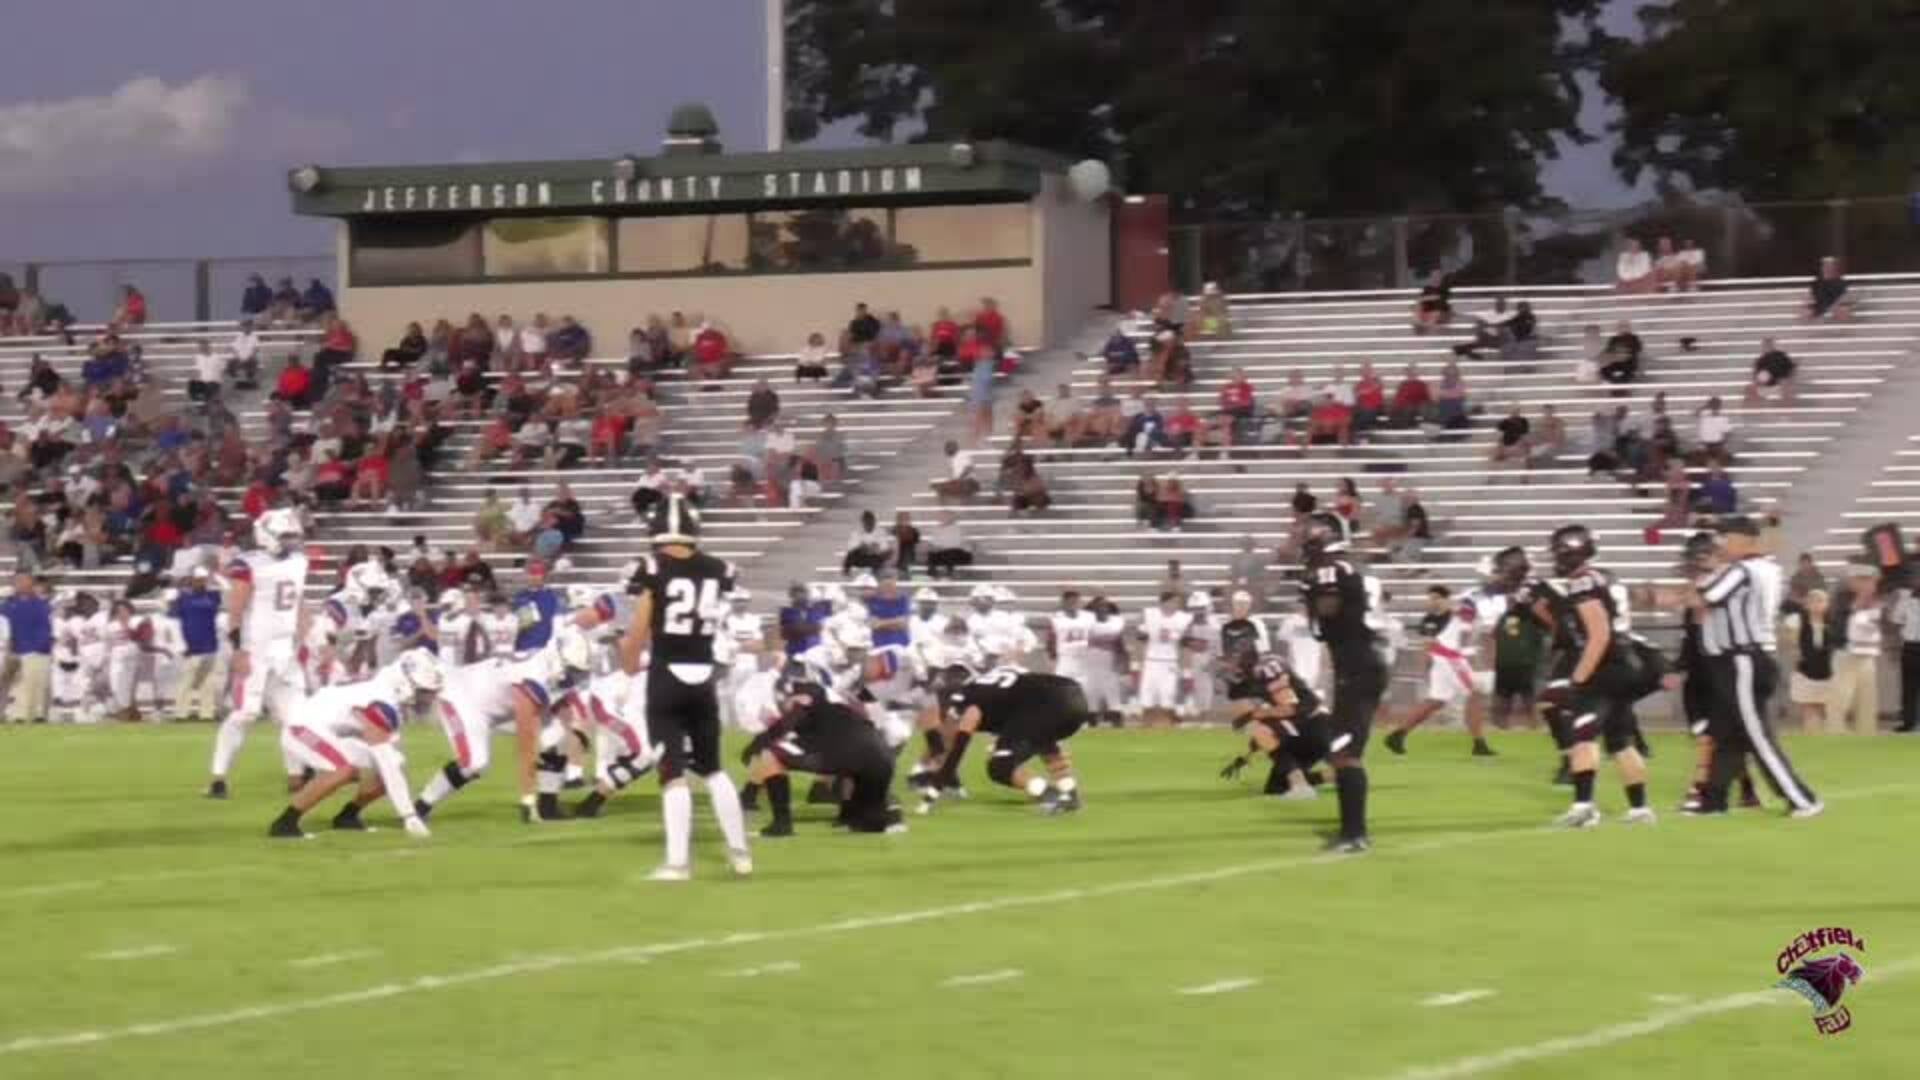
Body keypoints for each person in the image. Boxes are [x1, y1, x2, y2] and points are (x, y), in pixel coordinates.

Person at [620, 494, 753, 881]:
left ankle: (677, 863)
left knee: (672, 771)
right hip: (703, 676)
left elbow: (640, 626)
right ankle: (740, 853)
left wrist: (628, 660)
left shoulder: (651, 567)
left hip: (667, 676)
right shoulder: (719, 568)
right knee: (713, 769)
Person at [1692, 517, 1822, 817]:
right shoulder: (1766, 568)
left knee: (1757, 734)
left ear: (1743, 539)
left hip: (1744, 659)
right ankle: (1713, 802)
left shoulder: (1742, 570)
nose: (1721, 544)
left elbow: (1706, 597)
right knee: (1727, 733)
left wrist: (1678, 591)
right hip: (1751, 657)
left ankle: (1802, 799)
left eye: (1726, 538)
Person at [413, 623, 596, 824]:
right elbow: (526, 743)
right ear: (559, 660)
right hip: (466, 699)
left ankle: (548, 806)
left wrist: (578, 731)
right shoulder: (533, 677)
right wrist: (527, 798)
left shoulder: (549, 666)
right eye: (573, 670)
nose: (575, 676)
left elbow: (565, 705)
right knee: (474, 763)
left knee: (557, 736)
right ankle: (420, 807)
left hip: (498, 703)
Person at [1535, 524, 1656, 828]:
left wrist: (1578, 678)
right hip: (1622, 663)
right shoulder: (1603, 577)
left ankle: (1584, 807)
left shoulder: (1583, 583)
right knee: (1620, 741)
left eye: (1559, 552)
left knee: (1583, 734)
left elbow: (1598, 635)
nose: (1556, 558)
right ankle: (1640, 809)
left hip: (1605, 667)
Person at [269, 651, 442, 840]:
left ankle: (347, 816)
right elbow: (385, 760)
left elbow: (391, 763)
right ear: (405, 684)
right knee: (343, 769)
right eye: (424, 691)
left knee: (394, 765)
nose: (428, 698)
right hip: (302, 728)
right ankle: (285, 823)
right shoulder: (380, 702)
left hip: (327, 732)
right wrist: (409, 815)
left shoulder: (385, 695)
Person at [1384, 547, 1527, 758]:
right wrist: (1471, 654)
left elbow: (1493, 629)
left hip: (1448, 652)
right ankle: (1479, 744)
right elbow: (1467, 627)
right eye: (1500, 574)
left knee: (1437, 700)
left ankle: (1397, 735)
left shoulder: (1499, 599)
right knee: (1474, 693)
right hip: (1451, 652)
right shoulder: (1474, 597)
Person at [205, 509, 309, 797]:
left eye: (293, 536)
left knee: (296, 717)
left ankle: (297, 776)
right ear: (267, 535)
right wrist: (238, 650)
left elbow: (299, 603)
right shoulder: (248, 564)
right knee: (245, 713)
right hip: (256, 648)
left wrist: (303, 638)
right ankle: (218, 777)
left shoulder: (299, 561)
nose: (290, 542)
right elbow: (235, 611)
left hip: (285, 649)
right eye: (285, 536)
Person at [1296, 514, 1382, 853]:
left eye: (1309, 535)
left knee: (1344, 753)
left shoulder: (1331, 570)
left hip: (1358, 669)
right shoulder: (1342, 568)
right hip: (1358, 667)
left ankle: (1355, 834)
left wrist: (1311, 592)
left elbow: (1329, 607)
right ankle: (1351, 830)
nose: (1304, 540)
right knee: (1339, 750)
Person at [742, 663, 902, 836]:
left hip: (846, 747)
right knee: (866, 817)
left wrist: (757, 744)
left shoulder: (806, 691)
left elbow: (790, 721)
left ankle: (781, 825)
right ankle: (860, 815)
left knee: (771, 755)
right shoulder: (838, 699)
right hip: (878, 753)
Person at [918, 665, 1087, 815]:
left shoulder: (969, 696)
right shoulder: (994, 682)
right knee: (1043, 739)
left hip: (1049, 705)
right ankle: (1069, 793)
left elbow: (960, 742)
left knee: (1000, 766)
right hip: (1074, 696)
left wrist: (940, 781)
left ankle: (1050, 795)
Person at [1218, 654, 1330, 799]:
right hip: (1314, 727)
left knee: (1260, 730)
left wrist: (1255, 715)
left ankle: (1300, 786)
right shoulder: (1265, 673)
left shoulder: (1269, 672)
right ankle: (1341, 776)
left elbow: (1297, 706)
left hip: (1313, 726)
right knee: (1275, 787)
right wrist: (1247, 756)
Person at [1827, 565, 1883, 736]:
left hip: (1867, 652)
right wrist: (1859, 602)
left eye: (1873, 581)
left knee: (1867, 696)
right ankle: (1835, 729)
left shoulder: (1874, 601)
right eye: (1867, 581)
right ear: (1855, 581)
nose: (1872, 585)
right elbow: (1838, 624)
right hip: (1846, 652)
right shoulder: (1841, 598)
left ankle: (1867, 730)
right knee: (1842, 694)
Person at [169, 567, 225, 723]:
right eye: (198, 579)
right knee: (186, 681)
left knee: (208, 683)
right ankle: (180, 713)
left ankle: (206, 714)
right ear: (192, 580)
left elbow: (228, 589)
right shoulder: (183, 598)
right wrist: (180, 645)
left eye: (203, 579)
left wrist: (216, 576)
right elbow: (174, 622)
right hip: (191, 646)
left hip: (210, 645)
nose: (201, 582)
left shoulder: (213, 596)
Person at [1, 573, 53, 723]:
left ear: (31, 584)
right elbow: (6, 629)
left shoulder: (42, 605)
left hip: (39, 651)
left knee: (38, 685)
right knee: (17, 686)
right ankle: (17, 716)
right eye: (17, 581)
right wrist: (10, 651)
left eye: (24, 581)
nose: (21, 584)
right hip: (16, 651)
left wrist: (41, 647)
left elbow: (46, 629)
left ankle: (37, 716)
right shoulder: (7, 606)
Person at [1135, 592, 1191, 727]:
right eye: (1172, 602)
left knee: (1168, 696)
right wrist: (1136, 663)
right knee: (1147, 695)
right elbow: (1140, 639)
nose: (1174, 605)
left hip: (1170, 662)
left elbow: (1186, 645)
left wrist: (1186, 669)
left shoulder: (1184, 618)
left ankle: (1167, 726)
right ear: (1162, 603)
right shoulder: (1150, 615)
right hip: (1151, 660)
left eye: (1176, 602)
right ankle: (1146, 725)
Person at [1784, 588, 1835, 734]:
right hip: (1805, 670)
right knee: (1808, 707)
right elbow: (1791, 642)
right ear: (1806, 604)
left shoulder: (1833, 623)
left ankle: (1825, 736)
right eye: (1813, 601)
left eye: (1821, 601)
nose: (1817, 605)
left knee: (1827, 708)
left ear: (1827, 604)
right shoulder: (1797, 621)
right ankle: (1810, 733)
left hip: (1828, 671)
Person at [842, 510, 894, 576]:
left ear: (874, 522)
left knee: (889, 552)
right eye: (867, 523)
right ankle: (846, 571)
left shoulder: (880, 532)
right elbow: (850, 548)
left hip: (875, 557)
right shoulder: (857, 532)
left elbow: (885, 547)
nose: (869, 525)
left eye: (871, 522)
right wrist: (861, 547)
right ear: (863, 523)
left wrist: (876, 549)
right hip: (861, 557)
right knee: (851, 554)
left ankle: (877, 571)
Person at [1748, 337, 1797, 405]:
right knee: (1762, 376)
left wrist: (1787, 378)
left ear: (1773, 346)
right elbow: (1755, 376)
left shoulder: (1780, 356)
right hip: (1767, 387)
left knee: (1785, 380)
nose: (1767, 347)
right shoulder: (1760, 360)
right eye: (1766, 346)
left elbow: (1790, 367)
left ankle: (1786, 400)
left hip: (1780, 385)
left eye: (1769, 345)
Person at [925, 511, 975, 578]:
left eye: (944, 517)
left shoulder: (958, 529)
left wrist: (940, 547)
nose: (941, 518)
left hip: (960, 554)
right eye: (941, 517)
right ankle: (932, 574)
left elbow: (955, 544)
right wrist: (933, 547)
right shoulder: (936, 529)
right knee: (931, 554)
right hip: (944, 553)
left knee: (951, 552)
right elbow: (935, 543)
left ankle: (949, 574)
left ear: (951, 518)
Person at [1803, 256, 1853, 320]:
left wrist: (1838, 308)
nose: (1827, 269)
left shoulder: (1842, 284)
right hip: (1820, 314)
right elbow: (1808, 302)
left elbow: (1844, 301)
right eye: (1825, 267)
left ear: (1835, 269)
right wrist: (1809, 308)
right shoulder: (1816, 284)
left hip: (1835, 314)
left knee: (1843, 310)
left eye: (1830, 267)